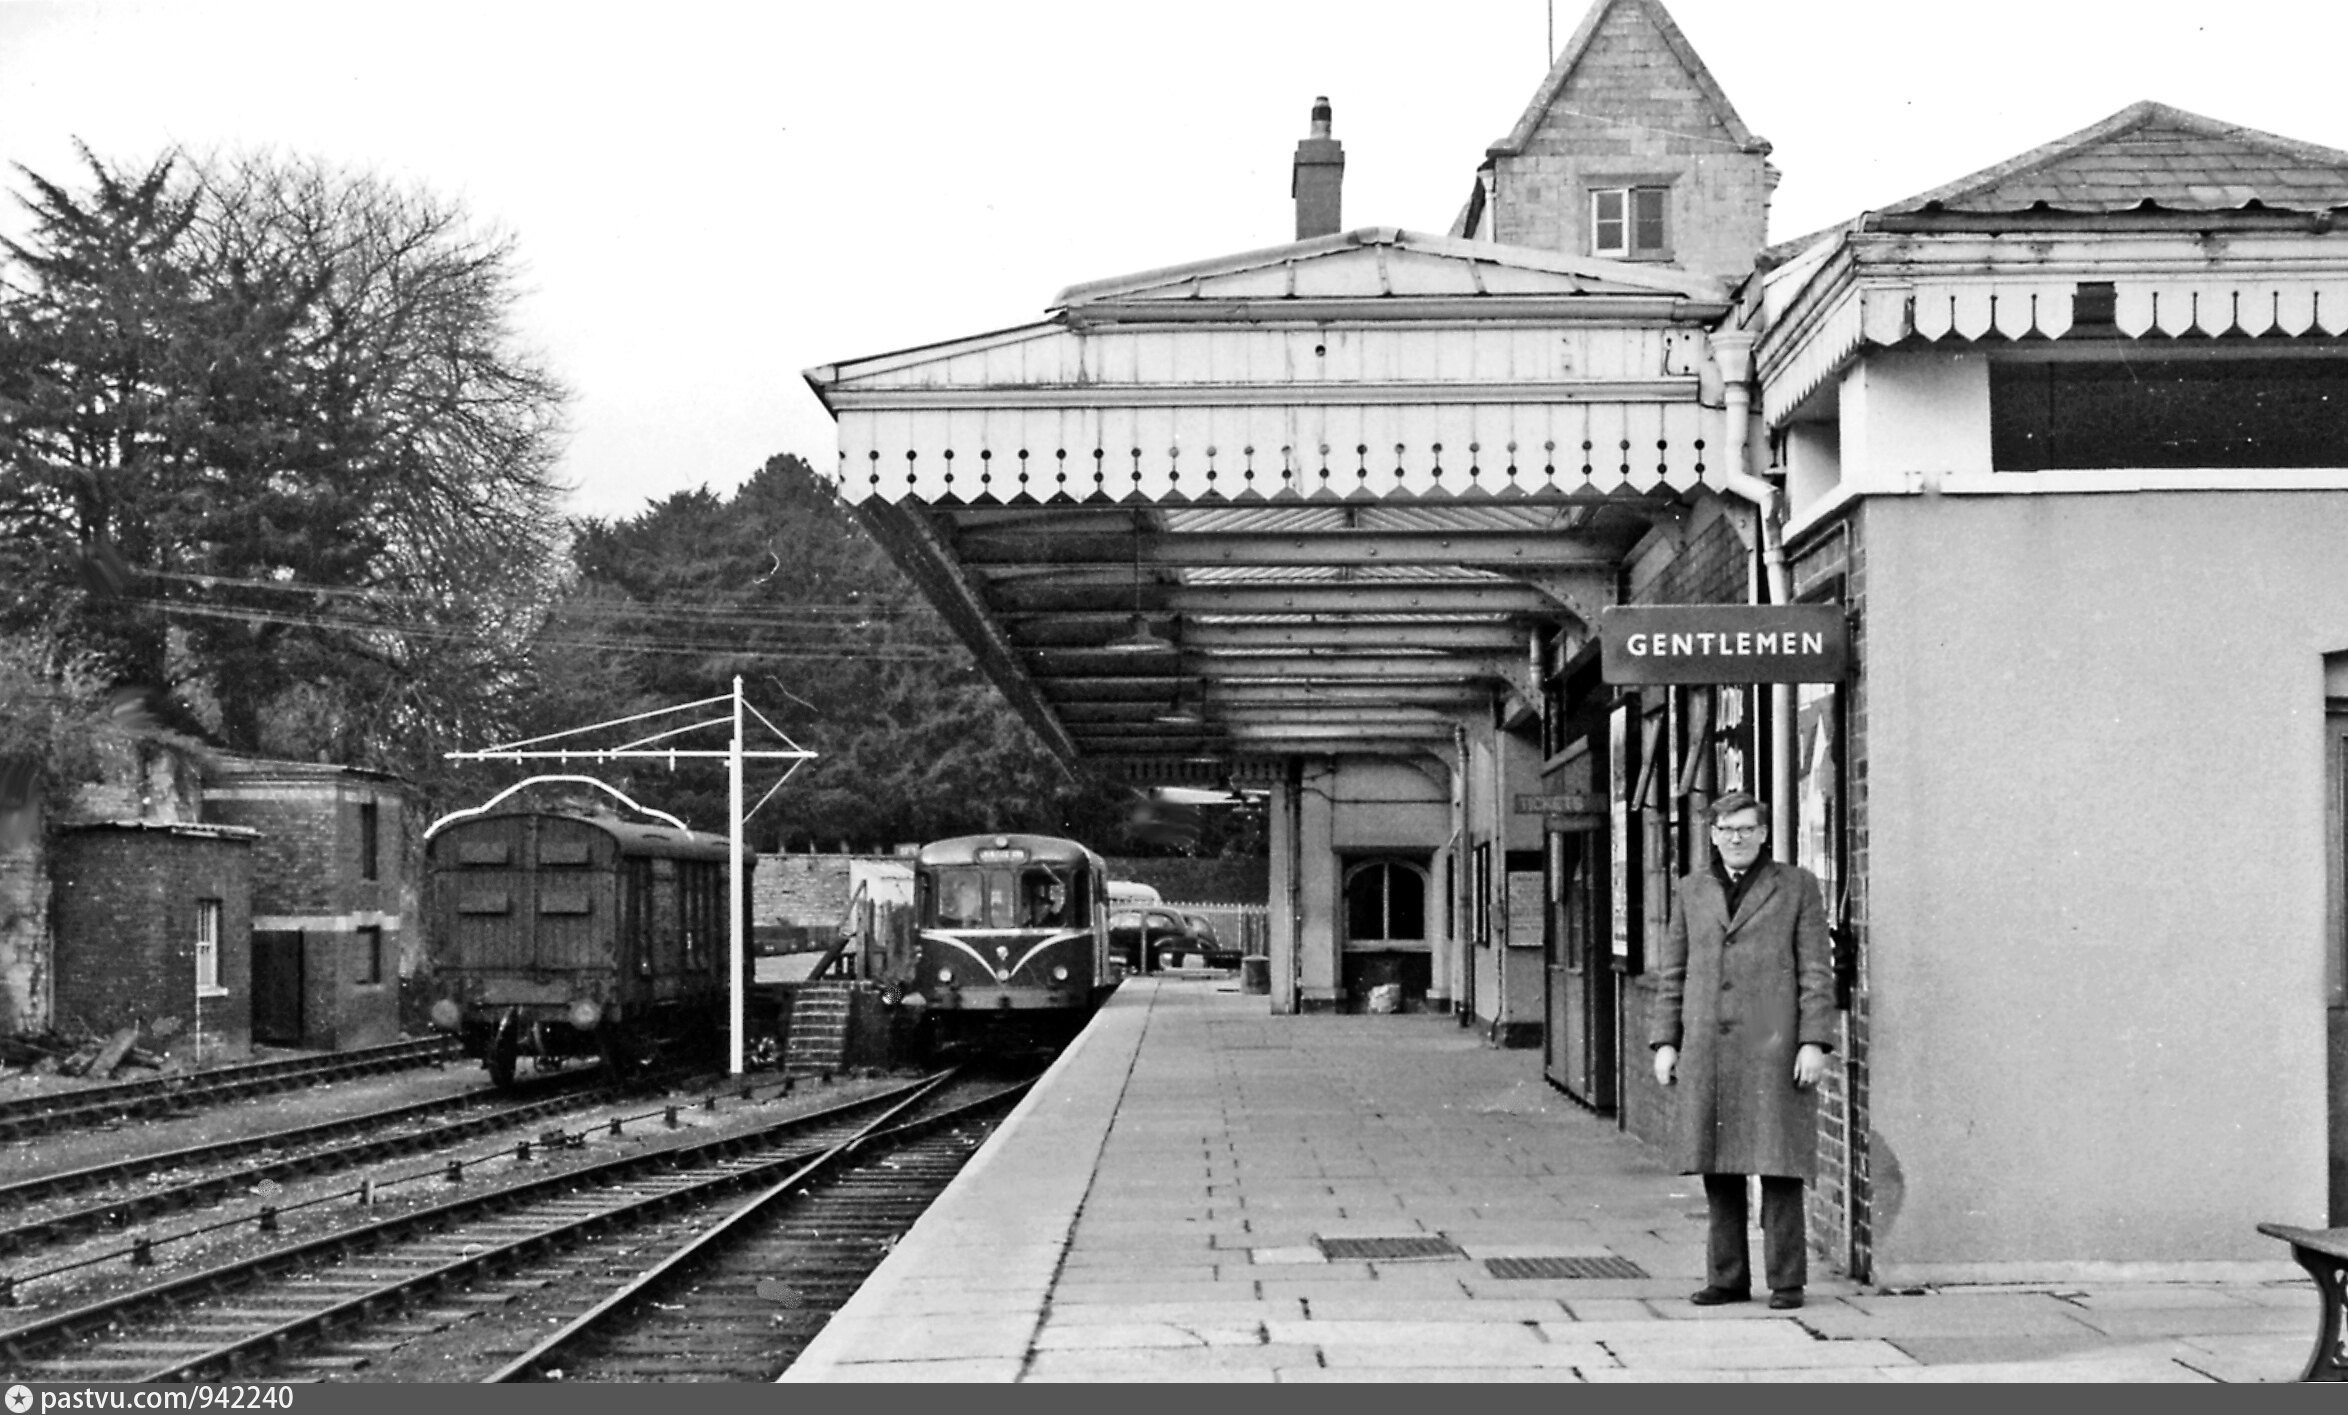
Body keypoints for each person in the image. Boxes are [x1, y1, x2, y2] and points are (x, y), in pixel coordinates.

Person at [1648, 790, 1836, 1311]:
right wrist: (1666, 1042)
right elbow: (1674, 973)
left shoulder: (1797, 886)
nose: (1737, 838)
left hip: (1771, 1041)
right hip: (1709, 1045)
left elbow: (1815, 971)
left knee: (1780, 1164)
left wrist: (1814, 1042)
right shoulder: (1691, 890)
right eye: (1727, 830)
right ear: (1712, 834)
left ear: (1764, 834)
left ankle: (1787, 1281)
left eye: (1747, 829)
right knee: (1718, 1166)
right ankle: (1726, 1278)